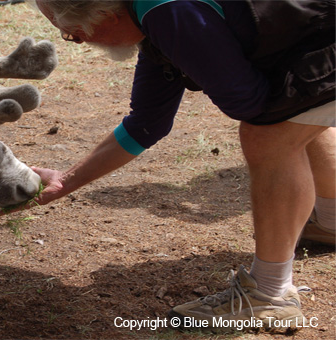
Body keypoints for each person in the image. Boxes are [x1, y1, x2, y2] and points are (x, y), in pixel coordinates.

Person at [20, 0, 335, 333]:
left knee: (268, 136)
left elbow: (248, 102)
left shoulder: (167, 12)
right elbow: (147, 123)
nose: (81, 44)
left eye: (75, 36)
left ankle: (270, 295)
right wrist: (65, 181)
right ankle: (330, 221)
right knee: (301, 111)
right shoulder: (149, 14)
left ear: (106, 15)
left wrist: (201, 56)